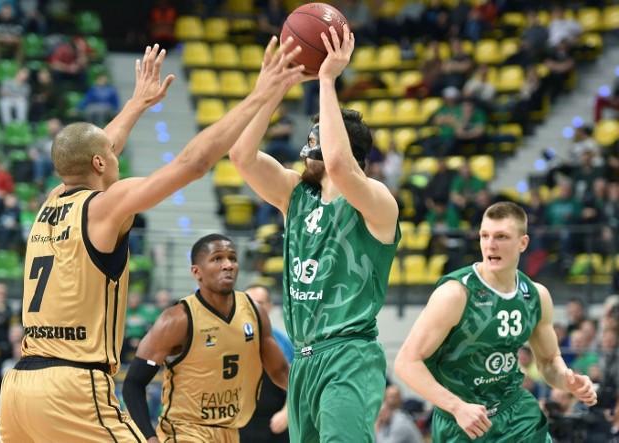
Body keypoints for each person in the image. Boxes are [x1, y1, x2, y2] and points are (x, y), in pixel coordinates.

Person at [0, 38, 306, 442]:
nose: (117, 155)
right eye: (111, 155)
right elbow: (191, 164)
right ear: (99, 163)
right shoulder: (106, 205)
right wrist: (259, 96)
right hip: (72, 388)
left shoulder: (51, 201)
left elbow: (90, 151)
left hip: (20, 388)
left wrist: (137, 104)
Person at [229, 25, 401, 442]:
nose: (306, 150)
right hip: (304, 361)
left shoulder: (377, 201)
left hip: (349, 354)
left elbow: (341, 167)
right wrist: (273, 87)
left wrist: (327, 79)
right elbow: (241, 155)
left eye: (315, 140)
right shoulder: (295, 194)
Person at [394, 201, 598, 442]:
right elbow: (406, 362)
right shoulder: (456, 293)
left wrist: (566, 380)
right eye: (485, 235)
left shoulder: (535, 295)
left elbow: (548, 360)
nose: (490, 245)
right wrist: (457, 407)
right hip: (463, 422)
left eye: (501, 237)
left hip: (517, 414)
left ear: (523, 243)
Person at [123, 234, 290, 442]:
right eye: (217, 258)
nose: (228, 264)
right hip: (186, 431)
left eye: (233, 258)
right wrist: (149, 438)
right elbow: (133, 383)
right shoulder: (177, 319)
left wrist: (316, 400)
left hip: (231, 431)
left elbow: (281, 372)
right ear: (196, 272)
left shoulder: (254, 312)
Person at [240, 284, 294, 443]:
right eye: (248, 303)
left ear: (269, 307)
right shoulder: (229, 339)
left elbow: (296, 382)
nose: (253, 308)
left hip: (274, 423)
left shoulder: (283, 342)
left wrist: (287, 413)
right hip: (240, 423)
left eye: (259, 303)